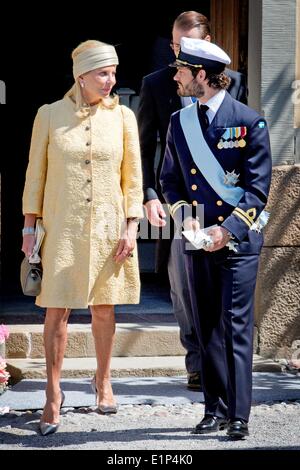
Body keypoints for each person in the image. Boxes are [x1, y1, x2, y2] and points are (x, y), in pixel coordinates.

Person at [22, 40, 143, 436]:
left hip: (110, 228)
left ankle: (103, 380)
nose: (111, 80)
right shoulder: (49, 115)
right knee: (56, 310)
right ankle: (52, 394)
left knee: (104, 308)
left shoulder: (124, 117)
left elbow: (133, 178)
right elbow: (34, 176)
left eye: (113, 73)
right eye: (103, 73)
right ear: (81, 75)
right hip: (61, 228)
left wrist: (131, 225)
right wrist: (29, 228)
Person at [160, 37, 272, 438]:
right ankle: (214, 409)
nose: (176, 77)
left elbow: (258, 191)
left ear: (201, 76)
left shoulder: (249, 121)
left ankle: (239, 414)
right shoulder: (179, 122)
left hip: (238, 240)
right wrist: (186, 220)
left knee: (234, 325)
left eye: (181, 70)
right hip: (197, 238)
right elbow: (169, 181)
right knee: (205, 324)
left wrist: (228, 230)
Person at [137, 11, 248, 391]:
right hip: (178, 201)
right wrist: (149, 196)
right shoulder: (156, 84)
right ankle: (197, 363)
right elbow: (143, 145)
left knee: (223, 289)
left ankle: (224, 365)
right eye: (173, 46)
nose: (176, 55)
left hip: (223, 204)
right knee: (184, 291)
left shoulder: (235, 84)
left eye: (184, 48)